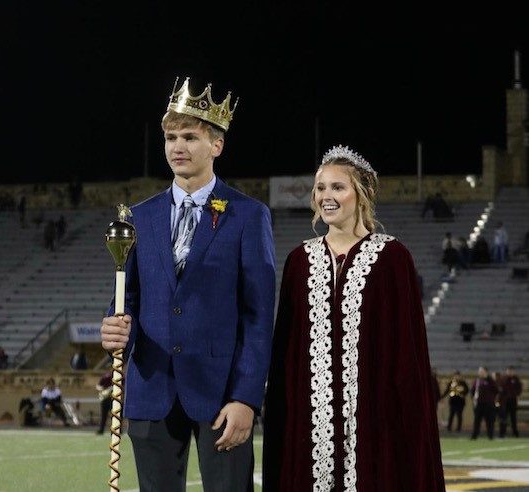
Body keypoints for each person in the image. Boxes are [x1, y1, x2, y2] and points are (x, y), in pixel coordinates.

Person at [100, 77, 276, 492]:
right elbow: (127, 300)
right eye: (171, 137)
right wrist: (113, 325)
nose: (177, 146)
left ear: (216, 145)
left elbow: (258, 315)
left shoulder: (248, 215)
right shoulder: (139, 217)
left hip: (221, 395)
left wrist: (246, 397)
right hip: (151, 389)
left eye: (190, 137)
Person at [262, 145, 445, 491]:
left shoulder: (393, 258)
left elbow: (409, 357)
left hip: (376, 424)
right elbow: (286, 355)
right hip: (309, 427)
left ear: (361, 194)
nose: (325, 196)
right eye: (320, 188)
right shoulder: (299, 261)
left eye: (337, 187)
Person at [470, 366, 499, 440]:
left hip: (489, 404)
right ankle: (474, 436)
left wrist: (488, 378)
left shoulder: (491, 380)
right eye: (479, 371)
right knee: (477, 421)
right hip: (479, 404)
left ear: (486, 372)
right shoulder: (477, 381)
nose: (480, 373)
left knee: (489, 421)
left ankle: (490, 436)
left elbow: (496, 390)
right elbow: (472, 391)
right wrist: (473, 398)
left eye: (482, 371)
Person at [498, 366, 523, 437]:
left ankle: (515, 433)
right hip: (504, 401)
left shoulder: (516, 379)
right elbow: (500, 390)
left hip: (513, 401)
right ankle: (502, 433)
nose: (510, 372)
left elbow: (519, 390)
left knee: (513, 418)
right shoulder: (503, 379)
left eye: (511, 371)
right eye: (509, 371)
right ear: (506, 371)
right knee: (503, 418)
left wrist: (516, 395)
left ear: (513, 371)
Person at [96, 370, 113, 435]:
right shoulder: (106, 376)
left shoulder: (121, 376)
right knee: (104, 415)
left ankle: (117, 430)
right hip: (105, 398)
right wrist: (105, 390)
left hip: (114, 399)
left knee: (115, 415)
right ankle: (101, 430)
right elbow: (98, 386)